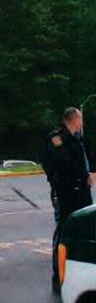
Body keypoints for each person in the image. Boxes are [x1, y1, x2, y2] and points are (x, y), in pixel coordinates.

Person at [42, 107, 96, 293]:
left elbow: (88, 157)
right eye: (80, 119)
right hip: (66, 193)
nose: (82, 123)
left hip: (82, 191)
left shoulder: (78, 138)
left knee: (84, 231)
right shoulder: (57, 140)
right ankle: (59, 277)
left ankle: (80, 274)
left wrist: (92, 173)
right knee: (64, 232)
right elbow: (64, 164)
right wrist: (84, 175)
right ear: (73, 119)